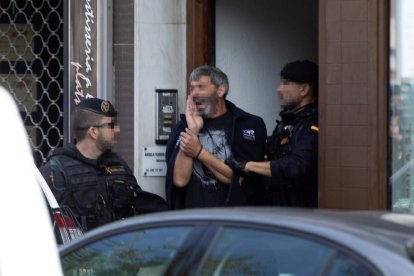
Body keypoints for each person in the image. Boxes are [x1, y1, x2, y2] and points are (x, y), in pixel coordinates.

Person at [40, 98, 168, 231]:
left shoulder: (117, 164)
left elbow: (141, 202)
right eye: (111, 125)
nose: (117, 130)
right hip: (79, 251)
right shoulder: (57, 170)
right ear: (93, 132)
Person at [165, 65, 267, 209]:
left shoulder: (248, 124)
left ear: (220, 90)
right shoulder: (182, 128)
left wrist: (199, 152)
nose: (194, 93)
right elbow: (180, 181)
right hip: (193, 220)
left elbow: (239, 179)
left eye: (201, 87)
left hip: (234, 221)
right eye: (192, 88)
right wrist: (192, 131)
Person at [227, 60, 319, 207]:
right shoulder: (286, 123)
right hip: (278, 211)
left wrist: (249, 166)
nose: (279, 89)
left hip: (302, 215)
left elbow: (298, 165)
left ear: (304, 89)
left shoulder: (312, 125)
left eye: (286, 83)